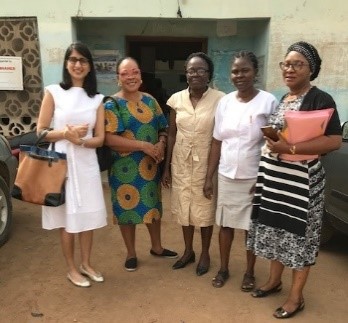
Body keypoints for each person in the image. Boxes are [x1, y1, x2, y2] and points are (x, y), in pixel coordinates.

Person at [246, 41, 342, 319]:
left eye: (297, 64)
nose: (289, 69)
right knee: (277, 232)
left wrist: (289, 149)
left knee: (300, 239)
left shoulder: (321, 99)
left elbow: (334, 140)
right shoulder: (283, 99)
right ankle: (275, 282)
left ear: (311, 69)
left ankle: (295, 297)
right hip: (275, 182)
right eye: (286, 64)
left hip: (302, 186)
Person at [203, 51, 278, 289]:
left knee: (250, 227)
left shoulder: (268, 102)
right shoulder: (225, 102)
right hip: (226, 174)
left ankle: (249, 273)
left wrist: (265, 177)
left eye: (245, 70)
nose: (240, 75)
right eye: (235, 71)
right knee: (225, 225)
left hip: (254, 175)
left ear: (255, 72)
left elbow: (274, 143)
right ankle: (223, 268)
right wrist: (209, 177)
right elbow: (217, 141)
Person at [37, 42, 107, 287]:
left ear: (89, 67)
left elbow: (100, 138)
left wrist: (82, 142)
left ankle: (86, 263)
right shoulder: (53, 92)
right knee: (67, 219)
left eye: (83, 60)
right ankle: (71, 268)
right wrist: (66, 135)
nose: (78, 64)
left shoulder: (97, 99)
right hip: (61, 165)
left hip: (86, 164)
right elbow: (41, 132)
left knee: (86, 216)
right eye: (73, 59)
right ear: (66, 64)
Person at [104, 57, 177, 272]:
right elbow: (109, 139)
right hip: (123, 167)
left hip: (150, 166)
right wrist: (144, 146)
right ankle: (131, 253)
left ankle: (157, 247)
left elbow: (163, 127)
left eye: (134, 72)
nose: (130, 77)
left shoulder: (150, 101)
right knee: (127, 210)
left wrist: (161, 144)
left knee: (152, 206)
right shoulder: (112, 104)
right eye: (125, 73)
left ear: (140, 76)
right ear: (118, 78)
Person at [162, 52, 225, 276]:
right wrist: (167, 166)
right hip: (180, 161)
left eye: (200, 70)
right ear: (185, 74)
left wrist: (210, 175)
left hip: (206, 162)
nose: (195, 74)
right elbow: (171, 134)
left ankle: (205, 253)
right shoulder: (176, 99)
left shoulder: (221, 99)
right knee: (184, 207)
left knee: (204, 209)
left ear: (209, 74)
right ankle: (188, 251)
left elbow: (220, 137)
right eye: (190, 70)